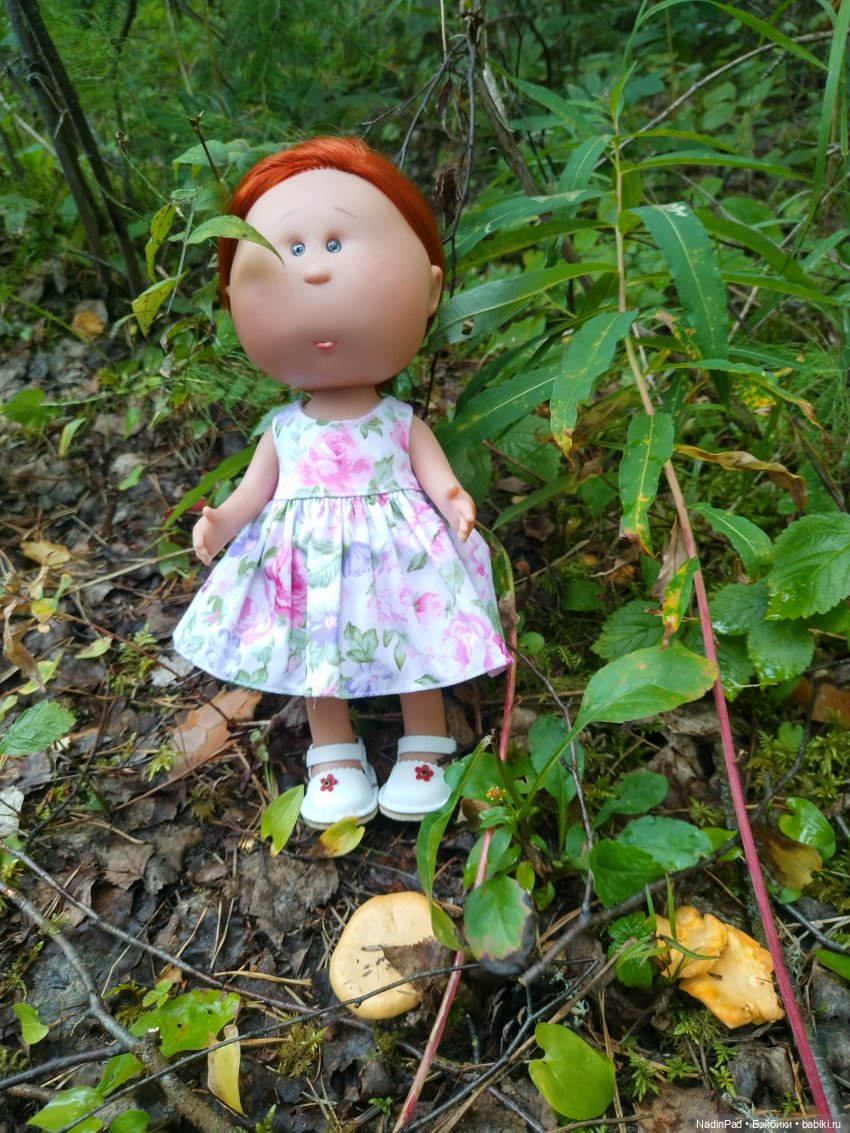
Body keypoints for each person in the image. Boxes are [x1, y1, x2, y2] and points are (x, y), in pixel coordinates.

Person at [173, 136, 511, 828]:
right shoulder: (285, 429)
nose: (317, 269)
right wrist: (221, 521)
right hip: (309, 564)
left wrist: (453, 499)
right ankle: (333, 756)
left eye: (335, 243)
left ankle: (425, 749)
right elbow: (253, 493)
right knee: (314, 647)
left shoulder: (398, 420)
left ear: (431, 289)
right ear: (233, 300)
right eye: (293, 249)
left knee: (417, 633)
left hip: (399, 556)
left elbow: (436, 475)